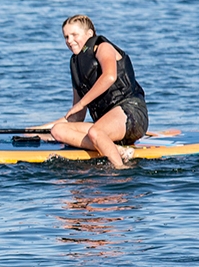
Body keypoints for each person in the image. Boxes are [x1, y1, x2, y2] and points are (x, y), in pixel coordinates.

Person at [48, 15, 147, 169]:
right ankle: (116, 150)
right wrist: (38, 129)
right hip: (104, 128)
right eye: (66, 36)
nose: (69, 40)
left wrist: (82, 103)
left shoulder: (102, 47)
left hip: (131, 114)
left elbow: (110, 76)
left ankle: (121, 169)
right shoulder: (75, 65)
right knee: (58, 130)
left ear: (89, 34)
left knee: (95, 132)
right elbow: (77, 116)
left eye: (74, 35)